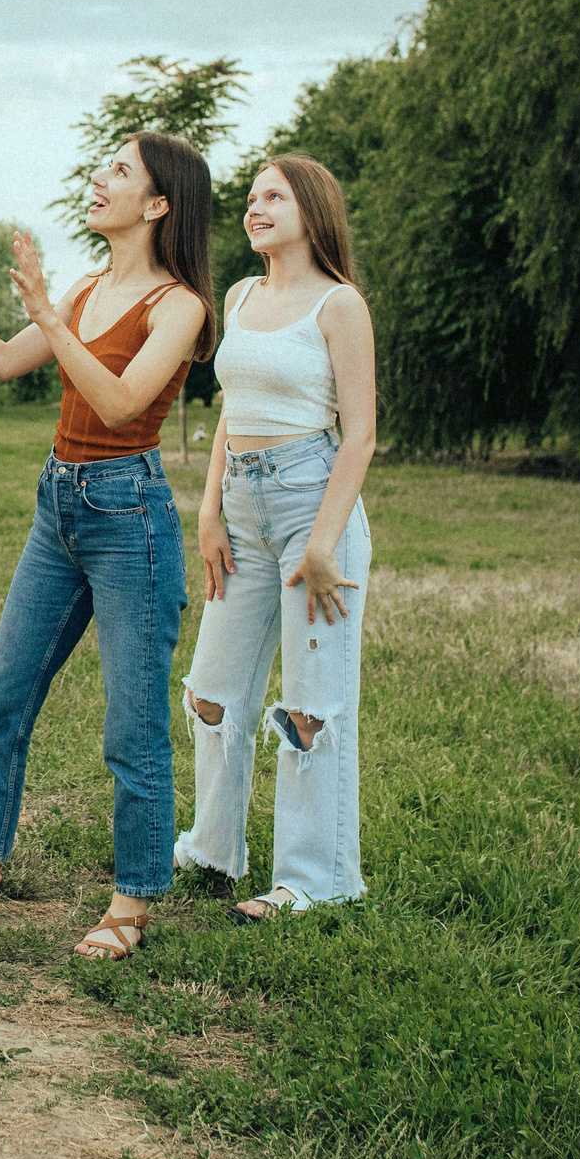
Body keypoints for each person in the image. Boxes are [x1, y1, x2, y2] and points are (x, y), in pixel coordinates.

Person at [0, 134, 215, 960]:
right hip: (57, 505)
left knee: (131, 725)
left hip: (128, 515)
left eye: (120, 173)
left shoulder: (179, 307)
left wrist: (46, 314)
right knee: (3, 695)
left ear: (160, 203)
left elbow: (122, 402)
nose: (101, 181)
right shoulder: (88, 286)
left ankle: (133, 898)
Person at [171, 154, 378, 922]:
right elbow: (232, 404)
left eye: (274, 196)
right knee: (211, 693)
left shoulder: (338, 305)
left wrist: (323, 542)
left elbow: (359, 435)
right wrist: (208, 507)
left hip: (309, 505)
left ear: (311, 209)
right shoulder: (242, 292)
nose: (255, 207)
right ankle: (212, 846)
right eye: (252, 196)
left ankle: (311, 879)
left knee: (310, 708)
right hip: (242, 508)